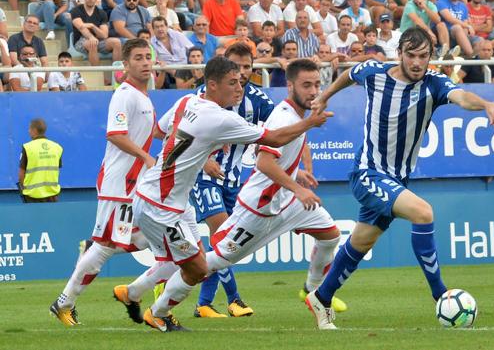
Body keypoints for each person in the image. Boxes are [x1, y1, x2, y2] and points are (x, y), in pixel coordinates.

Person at [305, 26, 494, 330]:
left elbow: (461, 96)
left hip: (397, 179)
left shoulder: (434, 83)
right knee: (423, 213)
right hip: (368, 172)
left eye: (423, 56)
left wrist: (487, 105)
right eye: (411, 55)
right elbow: (350, 73)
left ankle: (322, 296)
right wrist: (324, 96)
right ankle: (441, 296)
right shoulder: (375, 71)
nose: (417, 62)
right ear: (399, 53)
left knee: (361, 242)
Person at [127, 56, 332, 332]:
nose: (240, 88)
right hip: (185, 204)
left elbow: (162, 131)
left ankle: (315, 292)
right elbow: (269, 146)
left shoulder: (187, 101)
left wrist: (202, 148)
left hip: (161, 195)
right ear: (212, 85)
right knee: (202, 265)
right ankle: (155, 308)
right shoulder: (231, 117)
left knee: (330, 234)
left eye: (240, 82)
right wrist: (310, 126)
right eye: (232, 83)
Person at [50, 39, 157, 327]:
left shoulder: (143, 96)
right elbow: (116, 134)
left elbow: (147, 131)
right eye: (138, 58)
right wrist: (147, 157)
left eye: (148, 56)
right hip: (119, 184)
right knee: (109, 247)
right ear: (125, 64)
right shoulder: (124, 95)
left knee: (147, 238)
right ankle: (64, 303)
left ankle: (99, 255)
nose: (145, 62)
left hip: (134, 184)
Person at [188, 43, 273, 318]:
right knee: (222, 235)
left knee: (220, 243)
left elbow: (279, 129)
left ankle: (202, 303)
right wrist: (203, 160)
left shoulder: (257, 100)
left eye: (247, 67)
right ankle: (234, 299)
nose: (242, 72)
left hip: (233, 181)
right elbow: (179, 135)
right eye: (236, 67)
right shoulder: (203, 97)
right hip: (203, 177)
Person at [71, 0, 122, 66]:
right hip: (80, 41)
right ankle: (98, 74)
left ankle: (117, 74)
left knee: (117, 42)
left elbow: (104, 35)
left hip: (98, 40)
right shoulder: (76, 10)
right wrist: (91, 37)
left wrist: (92, 26)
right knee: (92, 43)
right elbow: (81, 28)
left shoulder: (102, 13)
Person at [18, 118, 63, 203]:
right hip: (52, 196)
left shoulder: (28, 148)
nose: (28, 131)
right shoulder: (57, 147)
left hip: (32, 197)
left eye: (29, 129)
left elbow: (21, 174)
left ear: (34, 130)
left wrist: (25, 189)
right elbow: (57, 169)